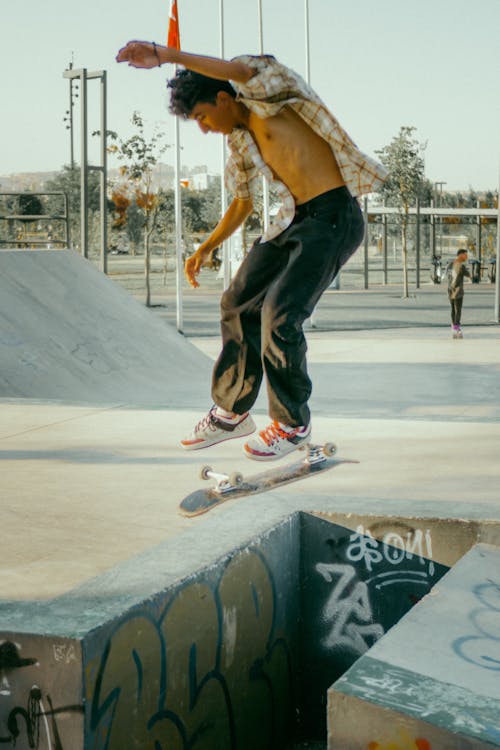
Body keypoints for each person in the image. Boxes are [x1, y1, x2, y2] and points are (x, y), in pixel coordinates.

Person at [116, 42, 387, 459]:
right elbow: (243, 202)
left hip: (333, 218)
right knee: (237, 301)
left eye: (204, 117)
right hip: (293, 219)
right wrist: (206, 246)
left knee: (280, 314)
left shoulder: (269, 92)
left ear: (223, 98)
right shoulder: (241, 144)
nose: (204, 128)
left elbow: (236, 69)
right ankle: (233, 411)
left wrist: (166, 55)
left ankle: (293, 423)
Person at [446, 249, 471, 339]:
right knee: (458, 310)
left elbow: (447, 275)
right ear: (460, 255)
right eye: (465, 255)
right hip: (458, 292)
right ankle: (457, 329)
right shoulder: (461, 266)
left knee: (453, 309)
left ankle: (454, 328)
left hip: (450, 290)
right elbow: (469, 275)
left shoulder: (450, 265)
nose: (466, 257)